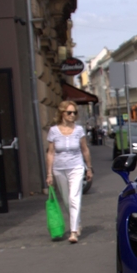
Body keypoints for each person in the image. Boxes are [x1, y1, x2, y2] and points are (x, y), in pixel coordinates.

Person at [45, 101, 93, 243]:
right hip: (59, 169)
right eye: (69, 112)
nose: (72, 115)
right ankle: (77, 223)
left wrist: (89, 168)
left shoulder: (79, 130)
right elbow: (50, 153)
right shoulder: (53, 131)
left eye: (74, 113)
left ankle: (73, 232)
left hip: (76, 167)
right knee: (66, 200)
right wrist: (49, 174)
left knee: (74, 197)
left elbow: (85, 149)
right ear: (62, 113)